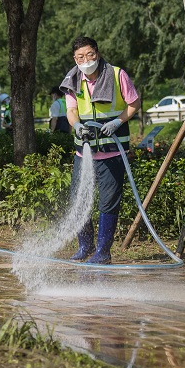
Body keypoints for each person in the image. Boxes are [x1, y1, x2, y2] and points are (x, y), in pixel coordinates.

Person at [59, 36, 141, 264]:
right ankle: (85, 246)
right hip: (83, 152)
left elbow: (134, 103)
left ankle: (103, 252)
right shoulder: (73, 79)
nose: (85, 60)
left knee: (108, 201)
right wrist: (76, 126)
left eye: (89, 55)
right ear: (74, 59)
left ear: (97, 52)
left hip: (112, 152)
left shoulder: (116, 74)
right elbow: (71, 110)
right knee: (78, 197)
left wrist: (117, 122)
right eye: (80, 57)